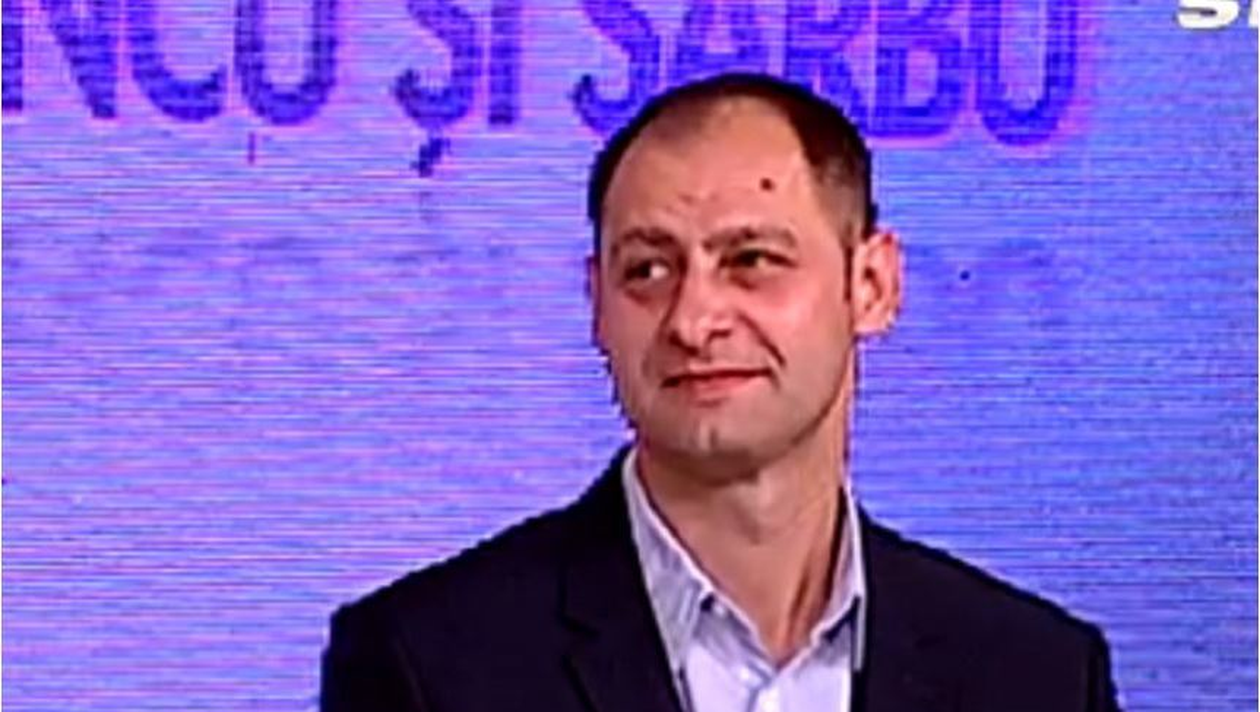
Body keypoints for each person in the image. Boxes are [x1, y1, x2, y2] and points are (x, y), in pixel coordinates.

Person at [320, 72, 1122, 712]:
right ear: (597, 304)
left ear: (872, 285)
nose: (693, 320)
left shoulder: (1037, 676)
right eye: (647, 270)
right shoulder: (428, 663)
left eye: (751, 261)